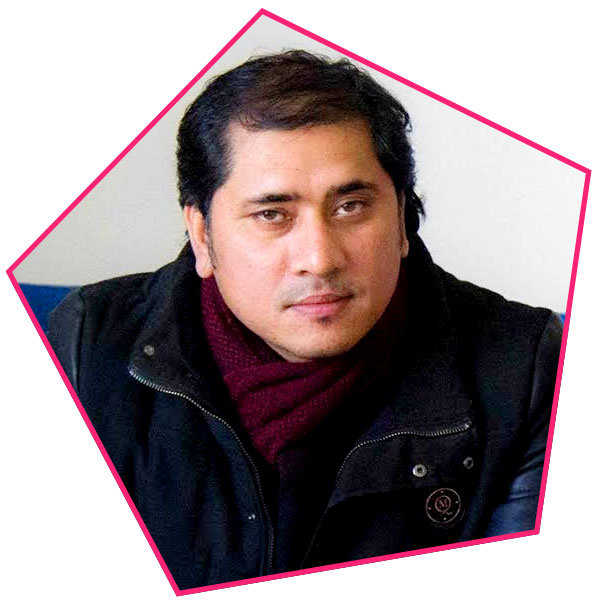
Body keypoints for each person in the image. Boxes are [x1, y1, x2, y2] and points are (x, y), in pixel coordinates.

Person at [48, 50, 562, 590]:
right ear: (202, 235)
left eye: (351, 207)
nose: (319, 259)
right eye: (272, 214)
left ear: (402, 218)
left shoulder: (524, 369)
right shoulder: (88, 345)